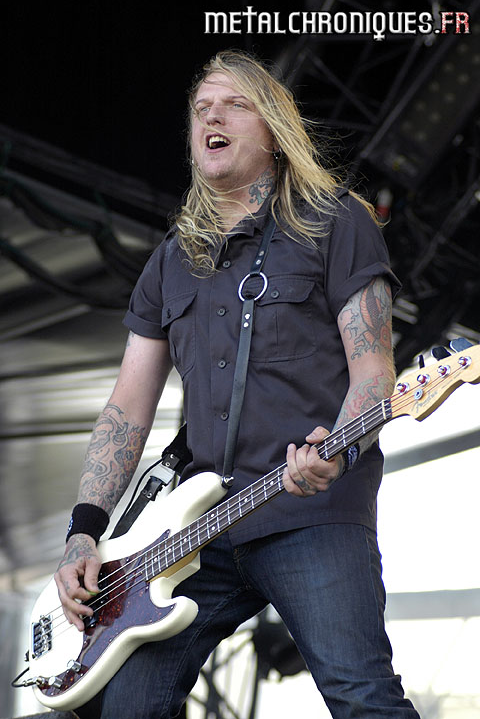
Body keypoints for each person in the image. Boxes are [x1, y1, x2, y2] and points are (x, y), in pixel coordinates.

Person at [55, 50, 420, 718]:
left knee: (363, 697)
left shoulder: (337, 221)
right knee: (127, 707)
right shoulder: (171, 261)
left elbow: (374, 370)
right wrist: (84, 530)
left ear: (275, 129)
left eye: (233, 105)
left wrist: (338, 450)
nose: (211, 118)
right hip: (198, 532)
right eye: (201, 110)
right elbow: (126, 409)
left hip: (311, 514)